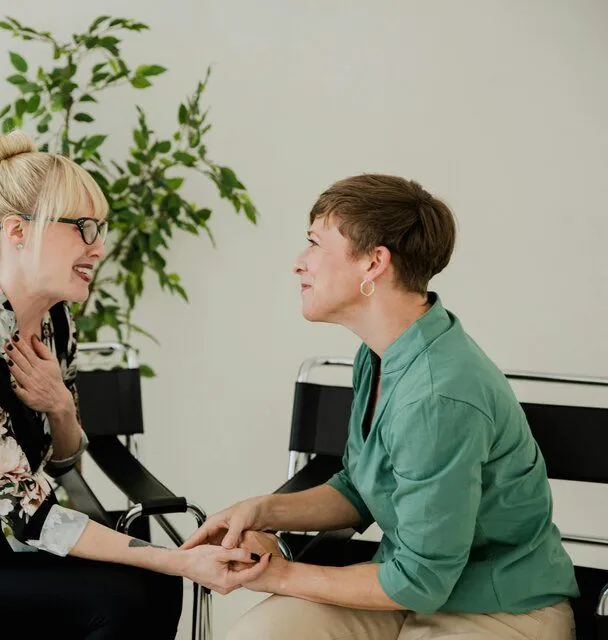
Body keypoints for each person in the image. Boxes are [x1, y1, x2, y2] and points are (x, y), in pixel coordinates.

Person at [0, 130, 267, 640]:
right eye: (82, 227)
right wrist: (179, 560)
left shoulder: (54, 318)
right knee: (123, 596)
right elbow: (31, 513)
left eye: (99, 228)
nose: (99, 247)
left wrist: (59, 407)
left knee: (155, 585)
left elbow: (63, 462)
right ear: (16, 231)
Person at [184, 174, 579, 639]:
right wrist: (262, 510)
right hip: (399, 591)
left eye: (314, 243)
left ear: (374, 263)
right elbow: (360, 490)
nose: (299, 263)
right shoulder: (381, 353)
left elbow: (421, 580)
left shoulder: (438, 394)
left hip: (495, 609)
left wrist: (279, 574)